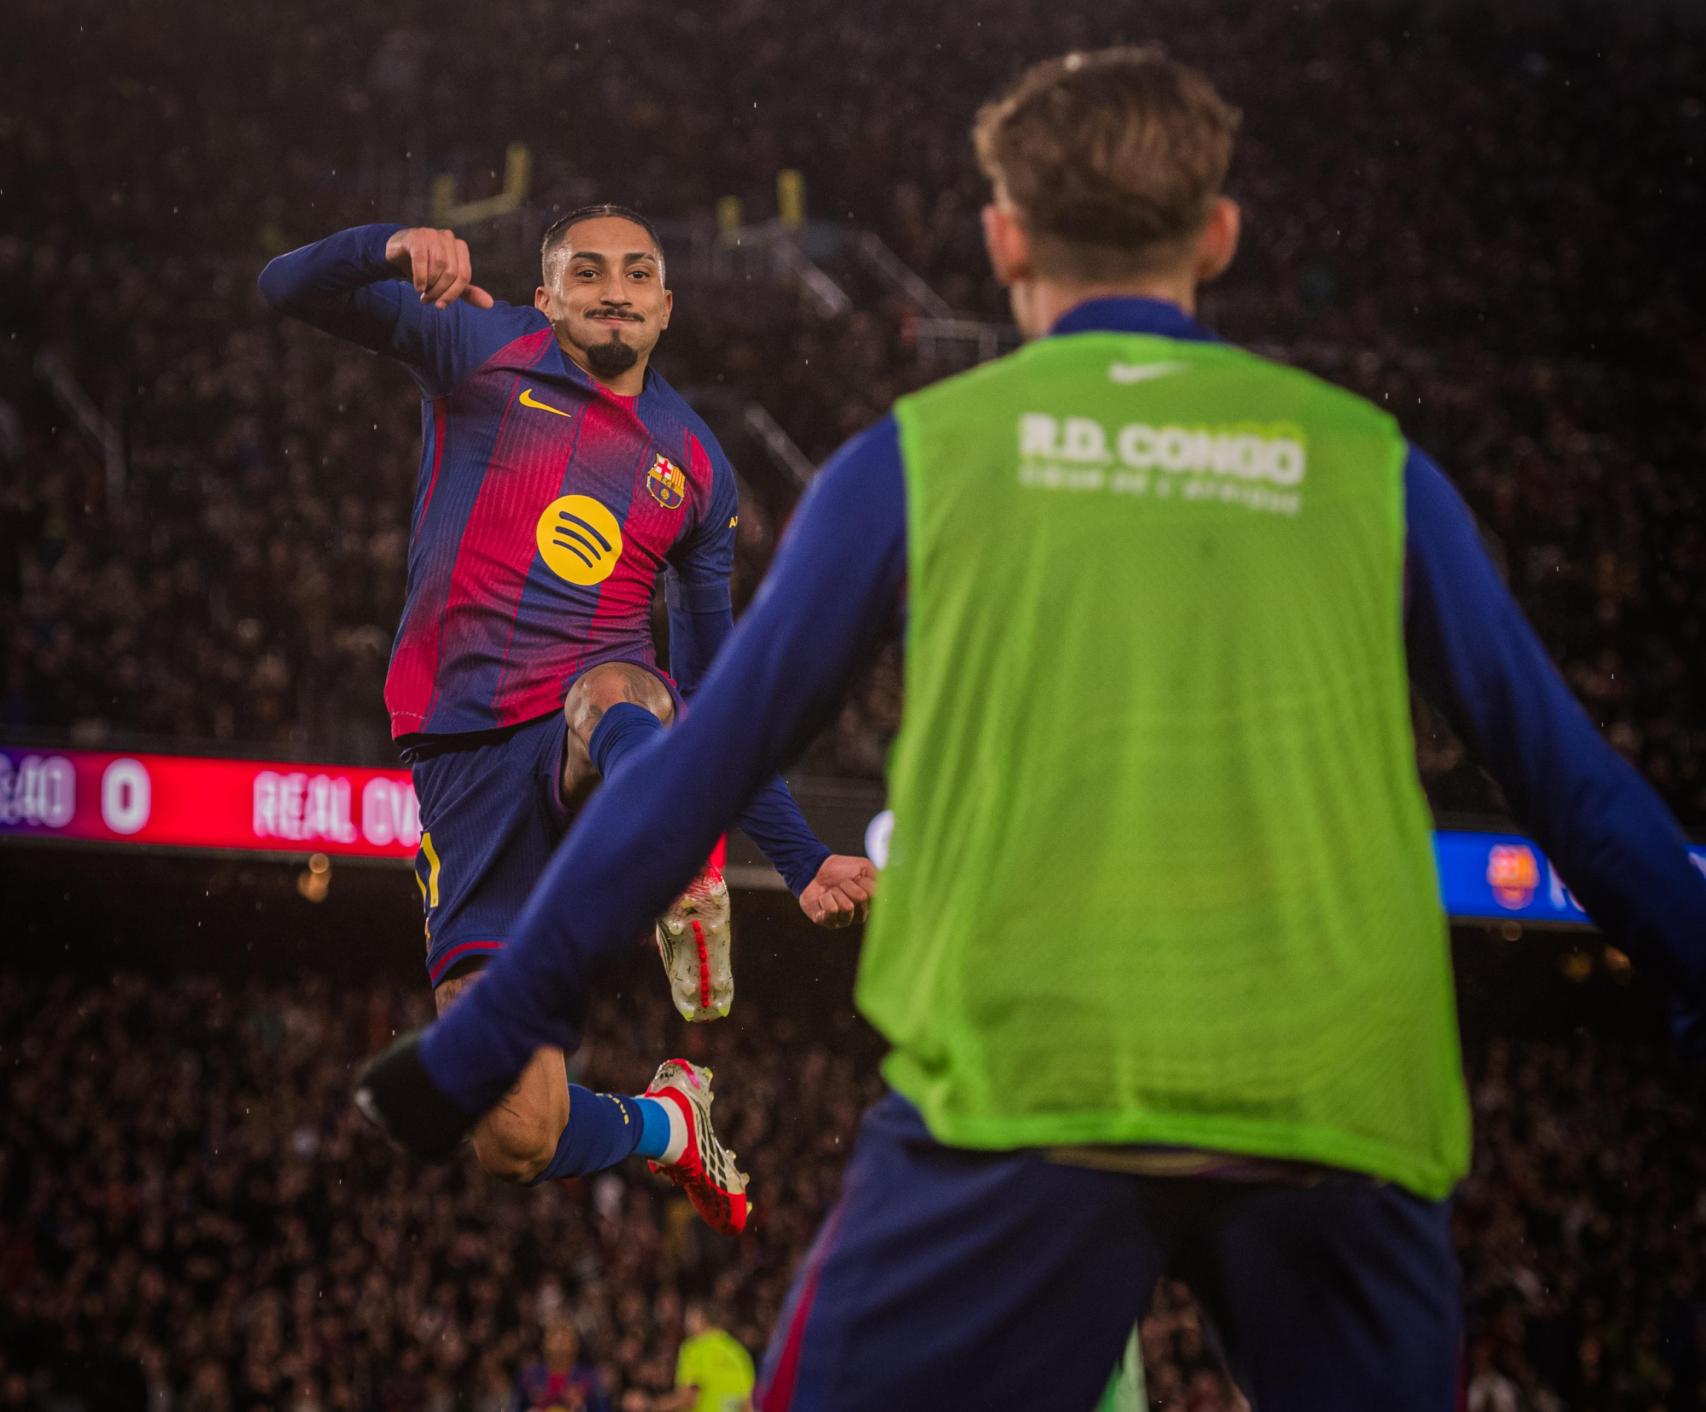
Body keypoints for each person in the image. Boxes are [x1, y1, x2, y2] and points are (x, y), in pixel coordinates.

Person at [352, 48, 1706, 1408]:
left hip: (1030, 1093)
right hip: (1339, 1105)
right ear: (1218, 235)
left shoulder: (918, 459)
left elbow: (700, 761)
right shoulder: (1371, 465)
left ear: (1003, 240)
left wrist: (482, 1040)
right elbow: (1575, 792)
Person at [259, 207, 874, 1229]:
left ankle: (666, 830)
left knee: (614, 690)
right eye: (585, 270)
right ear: (545, 296)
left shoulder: (696, 467)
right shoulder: (476, 345)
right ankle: (669, 1122)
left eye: (638, 271)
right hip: (462, 769)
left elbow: (716, 690)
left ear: (666, 307)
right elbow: (284, 284)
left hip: (598, 733)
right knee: (514, 1135)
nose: (614, 287)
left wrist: (799, 855)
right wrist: (383, 245)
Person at [651, 1303, 755, 1412]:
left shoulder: (695, 1348)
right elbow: (748, 1404)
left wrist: (654, 1406)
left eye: (689, 1317)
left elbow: (688, 1399)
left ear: (699, 1319)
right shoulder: (740, 1353)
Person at [516, 1320, 611, 1412]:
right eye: (555, 1339)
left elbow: (603, 1408)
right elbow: (517, 1407)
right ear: (544, 1344)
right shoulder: (530, 1375)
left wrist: (581, 1405)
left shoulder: (590, 1376)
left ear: (576, 1346)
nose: (560, 1344)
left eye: (565, 1339)